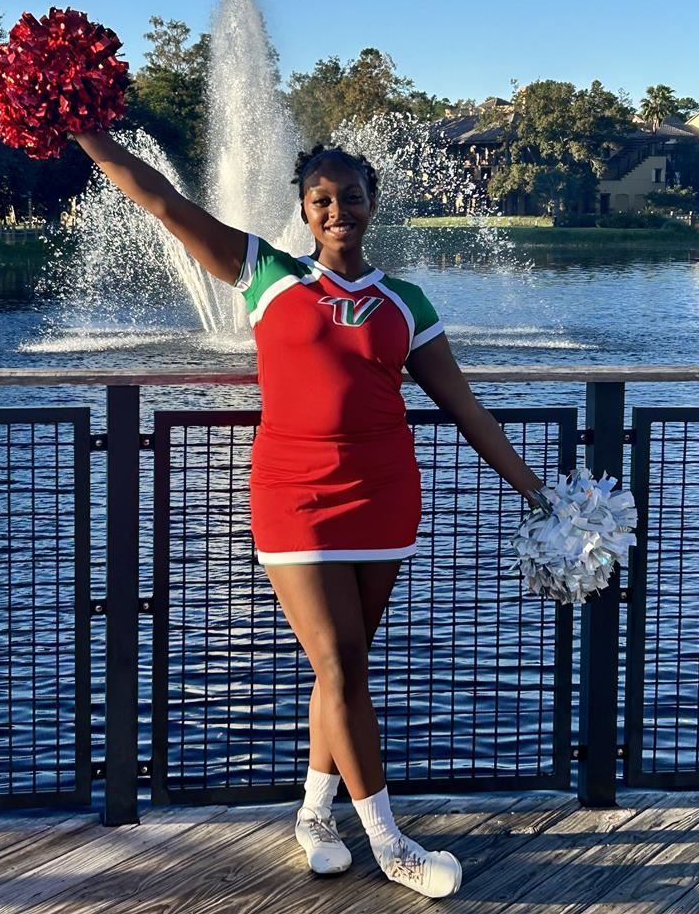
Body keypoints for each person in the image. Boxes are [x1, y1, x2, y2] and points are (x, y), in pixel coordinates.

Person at [74, 131, 549, 900]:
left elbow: (464, 408)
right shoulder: (264, 272)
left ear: (373, 203)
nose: (338, 211)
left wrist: (538, 491)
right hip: (294, 496)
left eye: (352, 197)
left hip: (385, 494)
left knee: (346, 667)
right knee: (339, 663)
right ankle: (392, 845)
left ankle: (315, 816)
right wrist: (85, 129)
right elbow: (161, 201)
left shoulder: (406, 302)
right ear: (303, 208)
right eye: (322, 200)